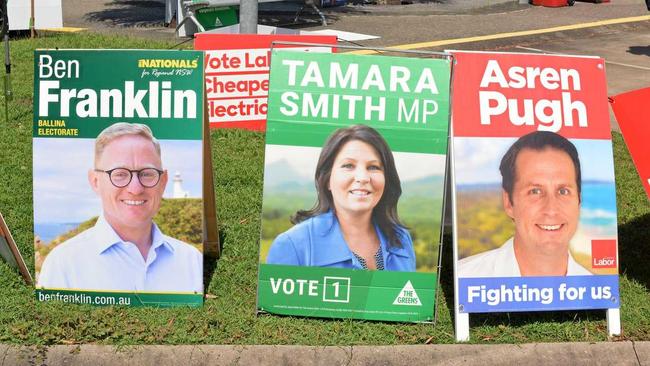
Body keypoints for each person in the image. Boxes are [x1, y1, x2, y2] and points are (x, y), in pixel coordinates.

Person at [38, 123, 203, 292]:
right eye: (120, 174)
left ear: (163, 181)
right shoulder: (63, 265)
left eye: (146, 174)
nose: (135, 189)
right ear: (95, 181)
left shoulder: (193, 262)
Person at [266, 125, 415, 271]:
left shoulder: (401, 238)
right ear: (327, 179)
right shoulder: (291, 246)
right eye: (348, 165)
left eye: (373, 167)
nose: (363, 178)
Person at [458, 131, 592, 277]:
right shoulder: (466, 277)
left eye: (563, 191)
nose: (551, 209)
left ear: (578, 201)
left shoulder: (597, 293)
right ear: (509, 202)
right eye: (535, 191)